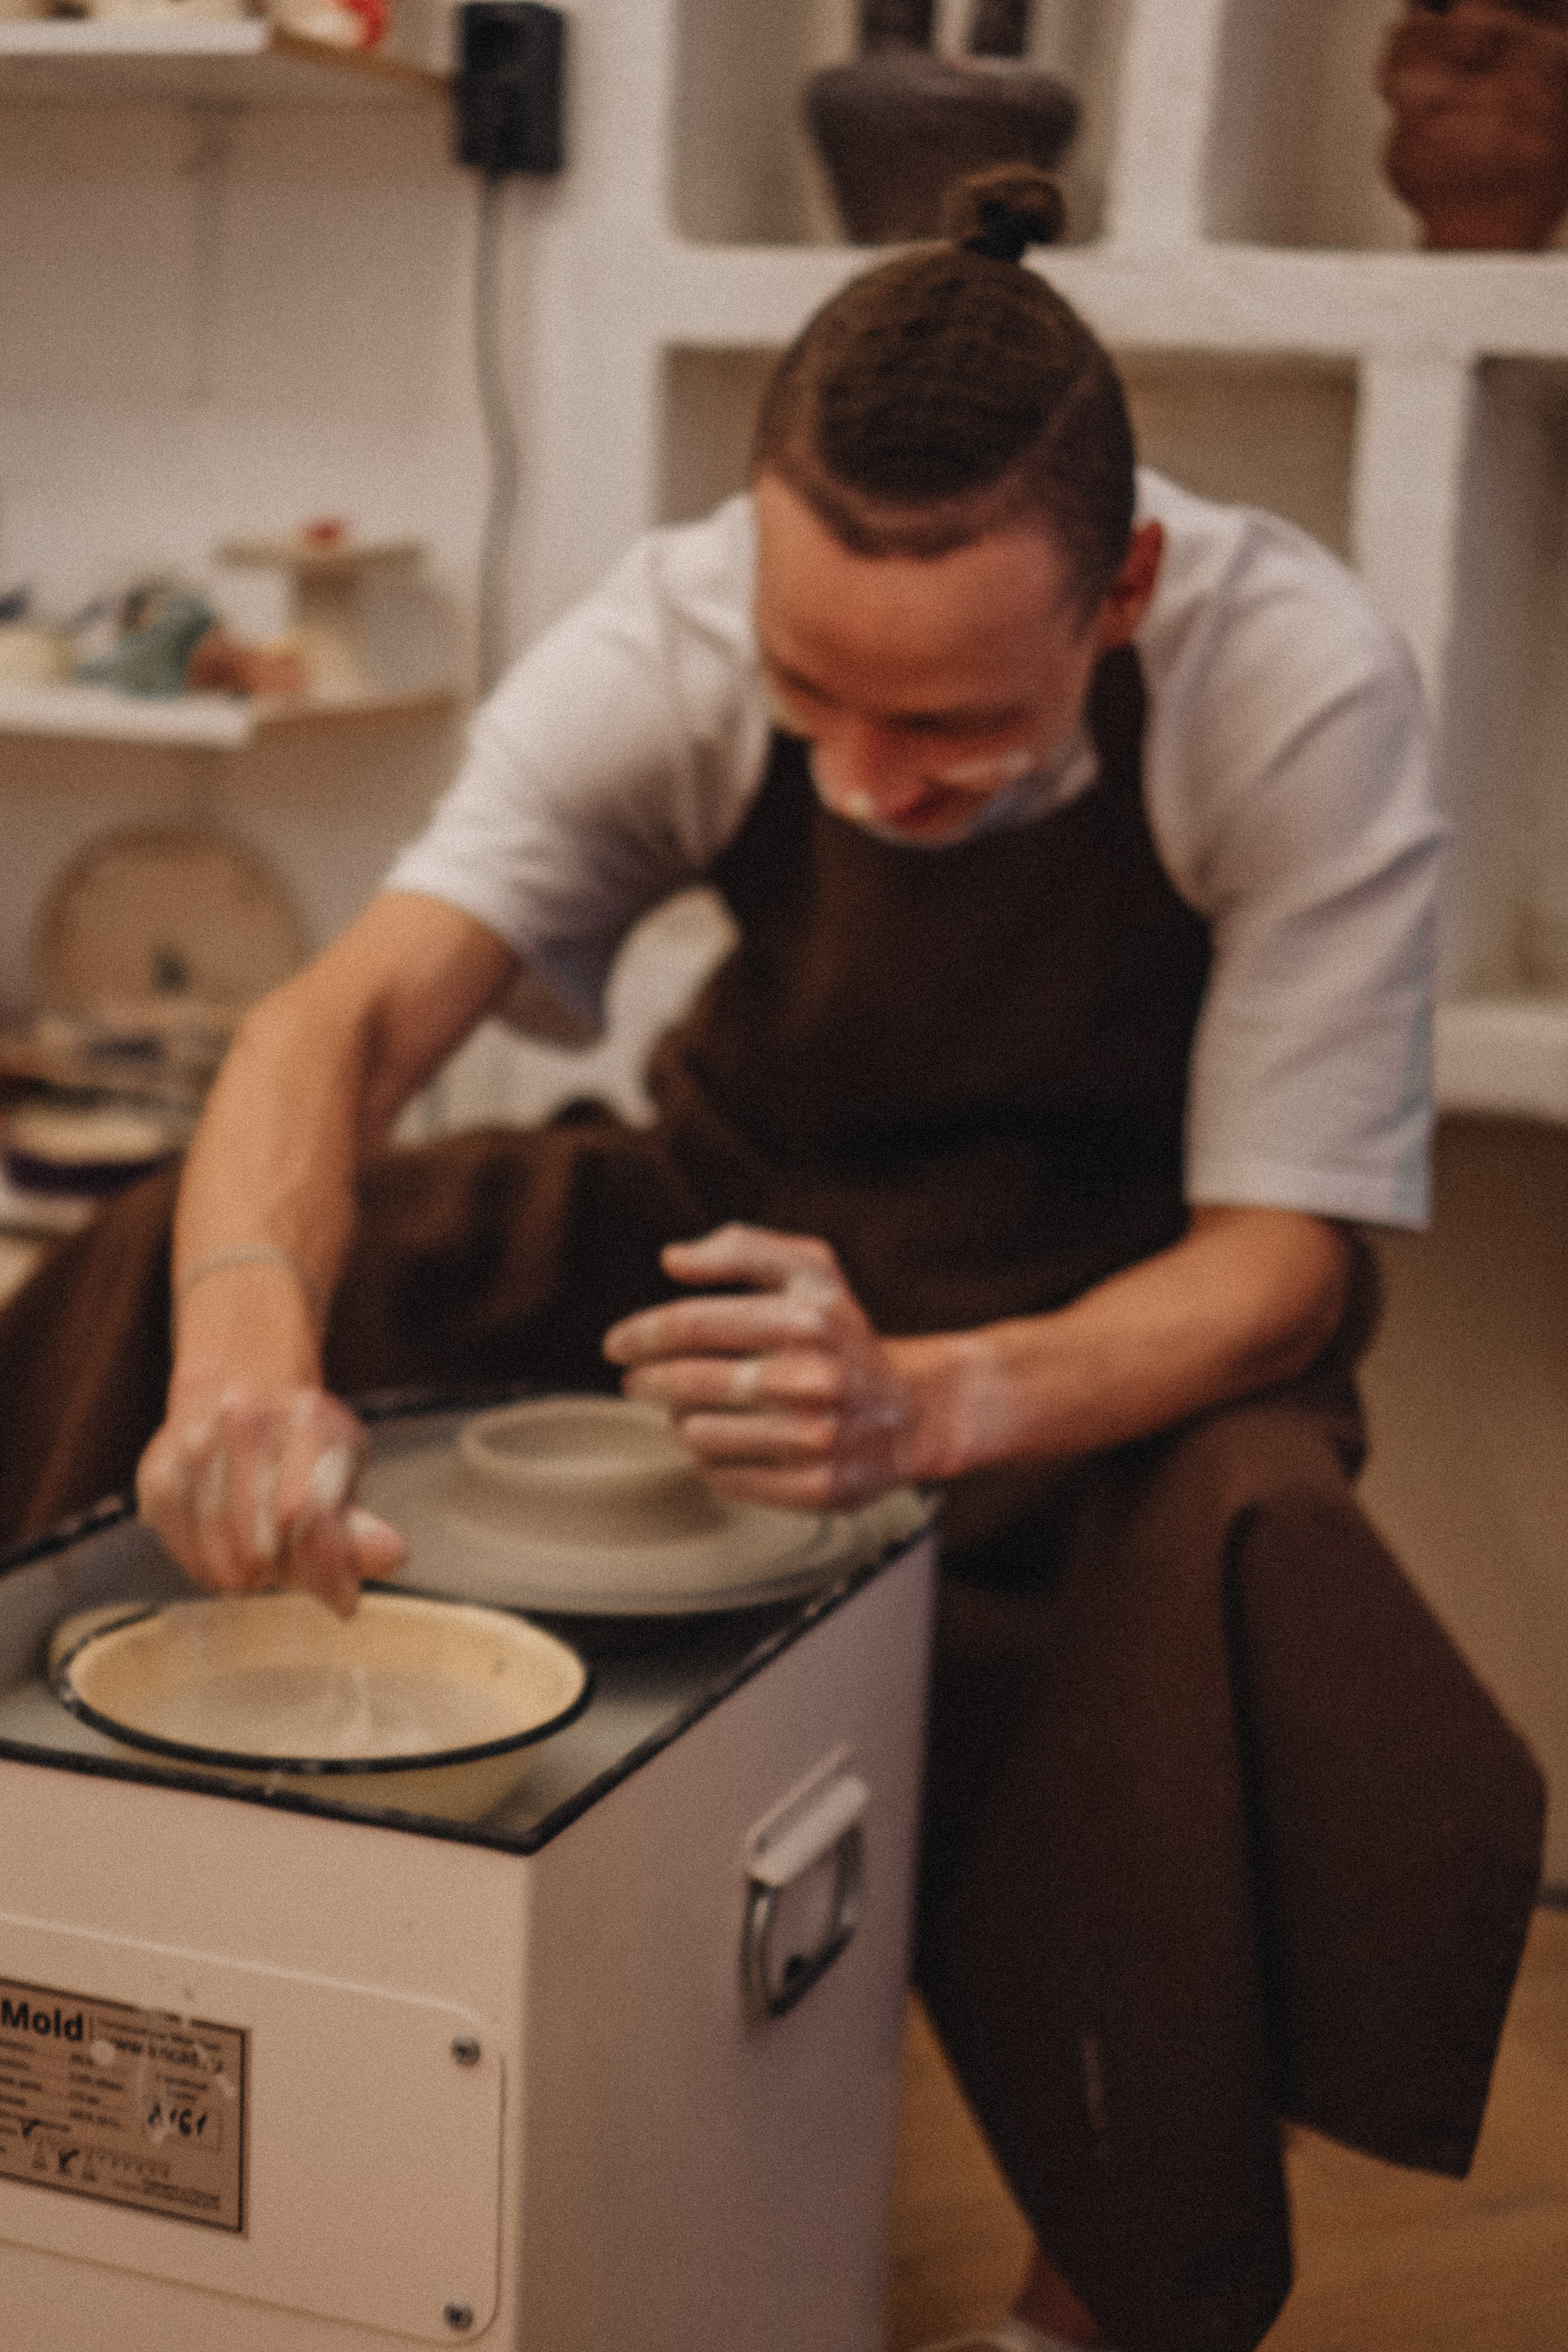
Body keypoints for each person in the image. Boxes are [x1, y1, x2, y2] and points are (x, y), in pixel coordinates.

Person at [0, 170, 1543, 2352]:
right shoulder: (676, 628)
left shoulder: (1289, 685)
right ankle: (97, 1943)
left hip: (1105, 1318)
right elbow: (327, 1028)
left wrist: (936, 1400)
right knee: (184, 1251)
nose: (866, 775)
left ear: (1122, 590)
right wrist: (243, 1356)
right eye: (817, 698)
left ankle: (1094, 2285)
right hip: (742, 1219)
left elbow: (1284, 1261)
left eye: (952, 731)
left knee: (1258, 1546)